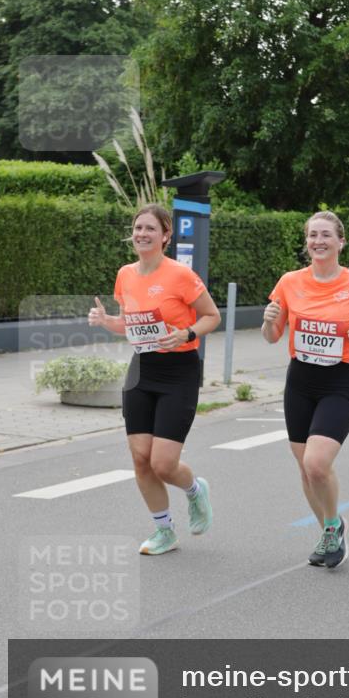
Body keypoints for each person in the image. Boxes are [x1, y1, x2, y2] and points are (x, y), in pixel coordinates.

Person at [88, 204, 221, 555]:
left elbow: (212, 316)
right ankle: (164, 530)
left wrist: (187, 333)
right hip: (142, 369)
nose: (142, 234)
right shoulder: (126, 274)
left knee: (163, 463)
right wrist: (105, 321)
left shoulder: (181, 275)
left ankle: (195, 491)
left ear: (166, 236)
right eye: (138, 228)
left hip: (178, 371)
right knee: (140, 458)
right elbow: (127, 325)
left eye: (150, 228)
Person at [262, 211, 349, 569]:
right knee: (305, 468)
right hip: (300, 380)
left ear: (340, 241)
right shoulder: (289, 282)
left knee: (317, 463)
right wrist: (268, 323)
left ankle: (332, 528)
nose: (318, 241)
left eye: (326, 235)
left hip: (339, 379)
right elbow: (273, 336)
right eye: (313, 235)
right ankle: (331, 528)